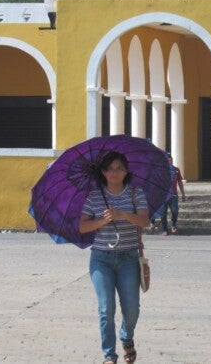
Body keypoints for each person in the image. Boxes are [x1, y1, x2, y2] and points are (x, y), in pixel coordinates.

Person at [79, 151, 149, 364]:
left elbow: (144, 222)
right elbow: (82, 226)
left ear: (126, 171)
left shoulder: (136, 194)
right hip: (101, 259)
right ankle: (109, 355)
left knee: (131, 308)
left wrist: (122, 214)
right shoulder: (94, 196)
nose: (114, 172)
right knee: (106, 308)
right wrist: (102, 221)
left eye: (119, 168)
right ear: (103, 172)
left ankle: (127, 337)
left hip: (128, 258)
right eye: (110, 168)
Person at [159, 153, 186, 236]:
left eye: (171, 160)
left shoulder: (176, 170)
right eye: (168, 161)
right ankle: (164, 229)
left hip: (173, 195)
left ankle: (173, 224)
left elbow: (180, 182)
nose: (169, 162)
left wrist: (183, 194)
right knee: (163, 213)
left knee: (175, 211)